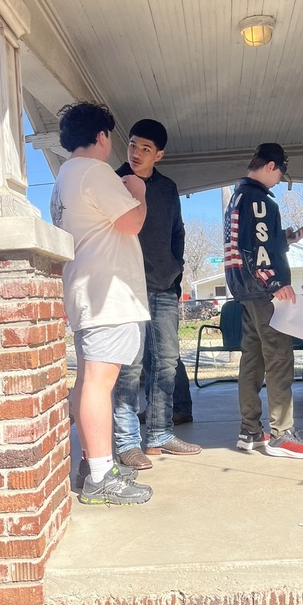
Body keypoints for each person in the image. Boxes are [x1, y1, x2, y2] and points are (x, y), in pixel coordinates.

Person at [50, 102, 153, 505]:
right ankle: (100, 478)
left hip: (86, 291)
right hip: (108, 293)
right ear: (101, 137)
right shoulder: (95, 171)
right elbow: (131, 222)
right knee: (98, 383)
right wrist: (139, 193)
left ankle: (93, 462)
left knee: (88, 381)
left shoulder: (64, 176)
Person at [224, 142, 303, 459]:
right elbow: (258, 248)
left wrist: (287, 239)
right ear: (270, 166)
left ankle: (250, 431)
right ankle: (282, 434)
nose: (279, 180)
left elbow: (247, 242)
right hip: (265, 290)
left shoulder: (238, 197)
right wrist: (276, 282)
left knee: (252, 359)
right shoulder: (260, 200)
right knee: (279, 358)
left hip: (245, 291)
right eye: (280, 173)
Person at [113, 119, 200, 468]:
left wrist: (175, 270)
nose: (136, 153)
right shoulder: (114, 181)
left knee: (165, 362)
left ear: (158, 154)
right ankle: (127, 442)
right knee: (130, 368)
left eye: (145, 148)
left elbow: (178, 231)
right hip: (126, 286)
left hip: (164, 287)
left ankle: (161, 434)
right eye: (132, 145)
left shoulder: (167, 189)